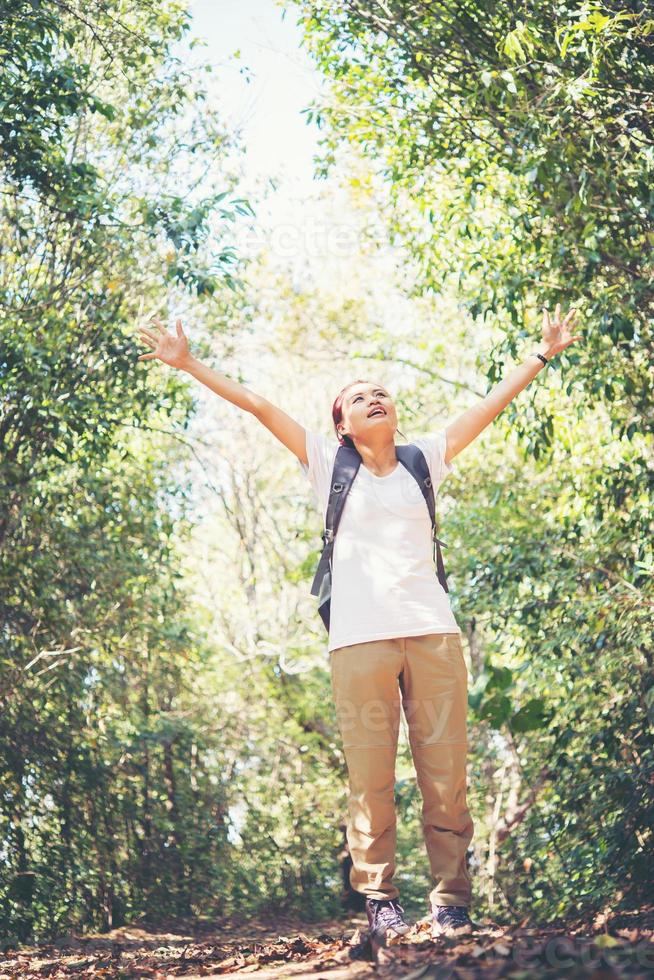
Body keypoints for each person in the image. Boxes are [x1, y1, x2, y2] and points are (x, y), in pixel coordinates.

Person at [136, 305, 582, 941]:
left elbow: (487, 407)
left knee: (446, 774)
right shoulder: (326, 463)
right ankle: (379, 899)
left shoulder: (424, 458)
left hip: (433, 633)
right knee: (371, 776)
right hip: (358, 641)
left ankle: (451, 900)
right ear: (340, 424)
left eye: (382, 394)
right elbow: (260, 407)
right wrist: (188, 363)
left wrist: (542, 356)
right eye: (359, 397)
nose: (375, 399)